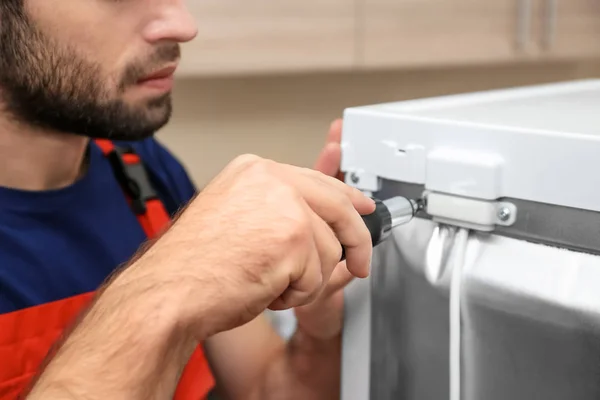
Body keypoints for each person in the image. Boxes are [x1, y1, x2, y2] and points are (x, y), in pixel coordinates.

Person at [0, 1, 374, 399]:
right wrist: (173, 282)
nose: (183, 25)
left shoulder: (139, 169)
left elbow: (262, 389)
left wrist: (316, 335)